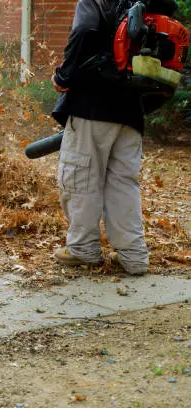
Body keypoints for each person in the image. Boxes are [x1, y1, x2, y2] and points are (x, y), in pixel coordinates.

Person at [49, 0, 159, 276]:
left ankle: (83, 249)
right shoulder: (147, 2)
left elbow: (85, 29)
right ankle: (133, 256)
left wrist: (64, 75)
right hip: (131, 109)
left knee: (81, 176)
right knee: (123, 183)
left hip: (92, 105)